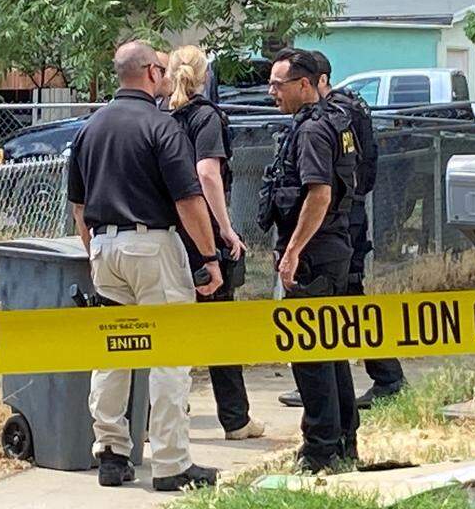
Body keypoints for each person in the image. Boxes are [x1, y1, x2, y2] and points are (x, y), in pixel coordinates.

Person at [68, 40, 223, 492]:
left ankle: (111, 453)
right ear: (152, 73)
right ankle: (171, 464)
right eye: (163, 68)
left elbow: (79, 206)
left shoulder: (90, 128)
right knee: (169, 355)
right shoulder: (161, 126)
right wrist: (209, 257)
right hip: (152, 245)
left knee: (114, 352)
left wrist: (93, 249)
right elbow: (189, 199)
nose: (167, 76)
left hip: (104, 247)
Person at [276, 51, 405, 411]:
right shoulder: (347, 113)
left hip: (337, 221)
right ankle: (348, 388)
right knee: (345, 304)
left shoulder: (328, 119)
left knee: (345, 304)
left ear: (316, 81)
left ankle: (380, 378)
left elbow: (326, 185)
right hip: (345, 216)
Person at [259, 48, 359, 472]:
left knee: (311, 353)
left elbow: (319, 194)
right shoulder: (331, 122)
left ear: (304, 84)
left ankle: (320, 452)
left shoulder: (314, 131)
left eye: (278, 84)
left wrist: (293, 252)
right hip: (331, 249)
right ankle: (342, 443)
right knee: (330, 349)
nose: (271, 92)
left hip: (315, 257)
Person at [167, 45, 265, 441]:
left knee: (169, 332)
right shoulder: (205, 117)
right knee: (220, 328)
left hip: (165, 235)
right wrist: (225, 229)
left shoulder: (160, 116)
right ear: (205, 76)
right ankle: (236, 420)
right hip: (201, 234)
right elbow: (207, 173)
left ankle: (164, 416)